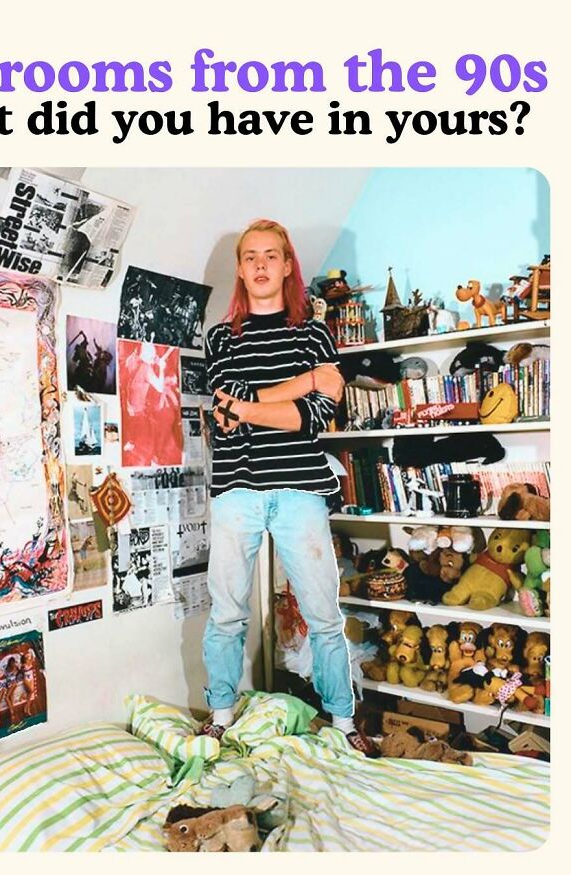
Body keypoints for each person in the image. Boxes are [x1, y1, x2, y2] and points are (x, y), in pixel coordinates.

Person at [201, 218, 379, 757]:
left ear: (287, 265)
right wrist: (305, 382)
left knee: (324, 613)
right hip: (236, 488)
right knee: (226, 611)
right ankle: (220, 715)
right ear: (240, 268)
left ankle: (344, 721)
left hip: (301, 488)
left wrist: (256, 405)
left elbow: (315, 419)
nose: (260, 265)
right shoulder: (219, 339)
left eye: (270, 256)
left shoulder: (314, 333)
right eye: (250, 256)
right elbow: (228, 414)